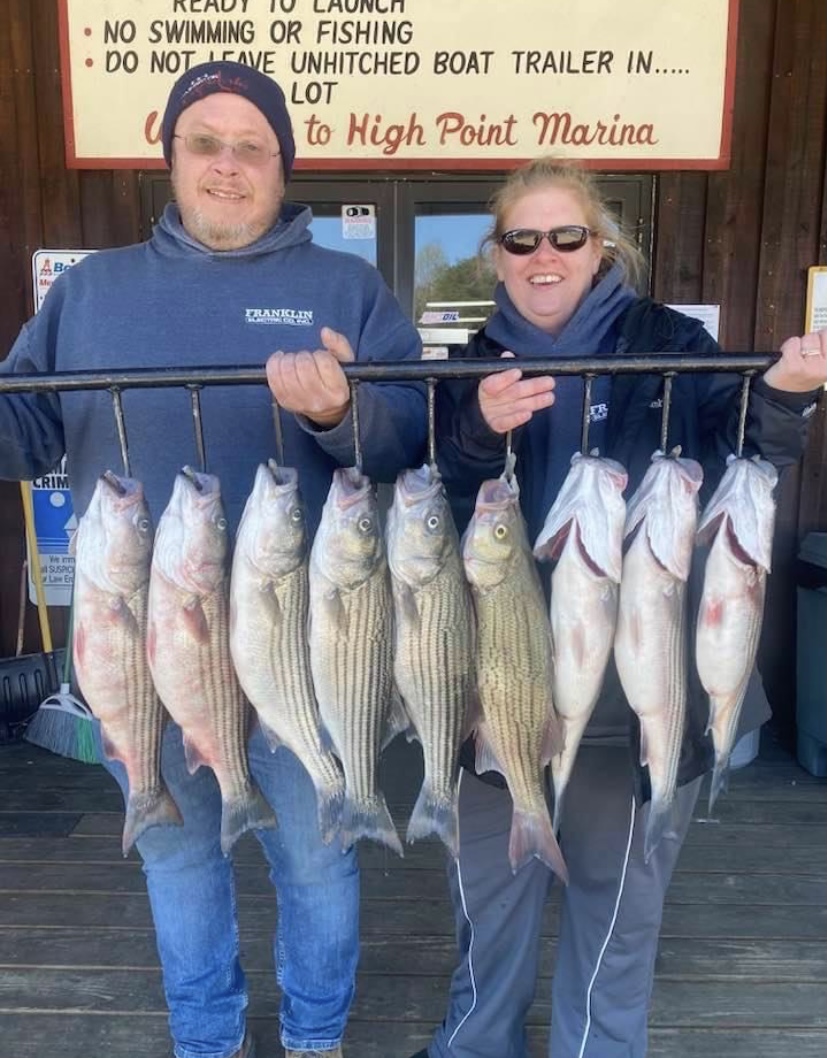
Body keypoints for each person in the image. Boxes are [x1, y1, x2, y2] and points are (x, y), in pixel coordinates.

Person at [0, 62, 427, 1058]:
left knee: (316, 863)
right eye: (204, 143)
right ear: (171, 157)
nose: (226, 165)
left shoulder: (345, 288)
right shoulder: (92, 292)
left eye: (251, 147)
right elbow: (23, 430)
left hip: (304, 650)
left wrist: (340, 410)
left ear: (283, 166)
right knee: (178, 858)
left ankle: (314, 1037)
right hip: (145, 647)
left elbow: (410, 436)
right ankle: (207, 1038)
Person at [410, 156, 826, 1058]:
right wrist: (476, 430)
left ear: (599, 246)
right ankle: (473, 1045)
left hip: (639, 689)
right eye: (522, 239)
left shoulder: (669, 343)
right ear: (495, 254)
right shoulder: (467, 367)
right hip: (498, 683)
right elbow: (432, 497)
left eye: (566, 236)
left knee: (616, 914)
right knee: (488, 901)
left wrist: (785, 398)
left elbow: (743, 441)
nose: (544, 255)